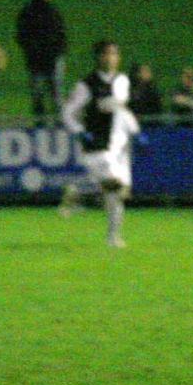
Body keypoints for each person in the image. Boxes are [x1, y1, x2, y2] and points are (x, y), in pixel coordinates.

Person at [60, 39, 137, 249]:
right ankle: (81, 193)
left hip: (118, 146)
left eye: (114, 54)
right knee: (114, 186)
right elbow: (67, 113)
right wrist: (80, 132)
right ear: (98, 57)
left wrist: (134, 131)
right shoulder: (86, 85)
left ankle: (111, 236)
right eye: (106, 54)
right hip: (96, 144)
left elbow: (121, 107)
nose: (111, 58)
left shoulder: (123, 80)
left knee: (119, 195)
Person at [16, 0, 68, 120]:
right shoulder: (49, 12)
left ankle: (44, 123)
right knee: (50, 94)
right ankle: (55, 123)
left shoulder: (29, 12)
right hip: (42, 59)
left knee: (45, 94)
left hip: (41, 59)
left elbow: (21, 36)